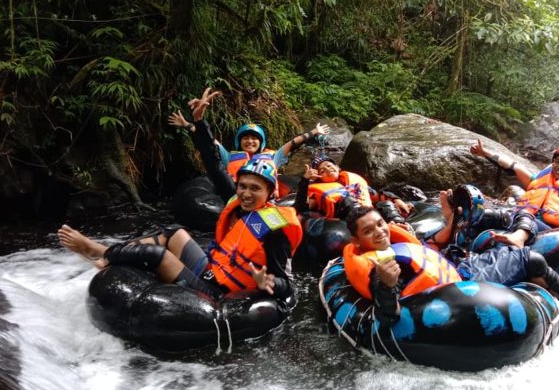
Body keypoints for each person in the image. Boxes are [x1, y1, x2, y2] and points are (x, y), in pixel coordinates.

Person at [58, 158, 302, 300]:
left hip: (219, 293)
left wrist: (265, 282)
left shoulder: (274, 231)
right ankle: (106, 253)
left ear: (270, 193)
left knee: (158, 255)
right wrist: (197, 126)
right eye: (242, 187)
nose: (246, 194)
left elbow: (287, 284)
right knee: (174, 231)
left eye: (255, 189)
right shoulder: (240, 210)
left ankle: (100, 251)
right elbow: (215, 168)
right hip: (211, 271)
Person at [344, 205, 559, 327]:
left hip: (460, 270)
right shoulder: (375, 267)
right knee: (532, 259)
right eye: (369, 231)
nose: (380, 232)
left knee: (508, 250)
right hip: (451, 296)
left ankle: (543, 284)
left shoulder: (397, 241)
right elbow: (388, 317)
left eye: (381, 224)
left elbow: (433, 248)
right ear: (357, 239)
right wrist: (387, 286)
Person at [169, 87, 329, 192]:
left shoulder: (273, 157)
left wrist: (314, 131)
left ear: (261, 143)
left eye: (254, 139)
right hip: (234, 195)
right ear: (240, 141)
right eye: (246, 138)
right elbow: (209, 143)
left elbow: (293, 143)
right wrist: (190, 124)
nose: (250, 141)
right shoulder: (230, 157)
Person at [294, 154, 412, 220]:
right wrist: (305, 180)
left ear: (338, 168)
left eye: (329, 166)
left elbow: (376, 196)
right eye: (322, 170)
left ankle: (399, 225)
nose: (328, 170)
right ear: (319, 177)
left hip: (372, 217)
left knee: (384, 205)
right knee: (347, 200)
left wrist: (396, 200)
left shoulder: (353, 181)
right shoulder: (319, 192)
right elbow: (302, 208)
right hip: (347, 224)